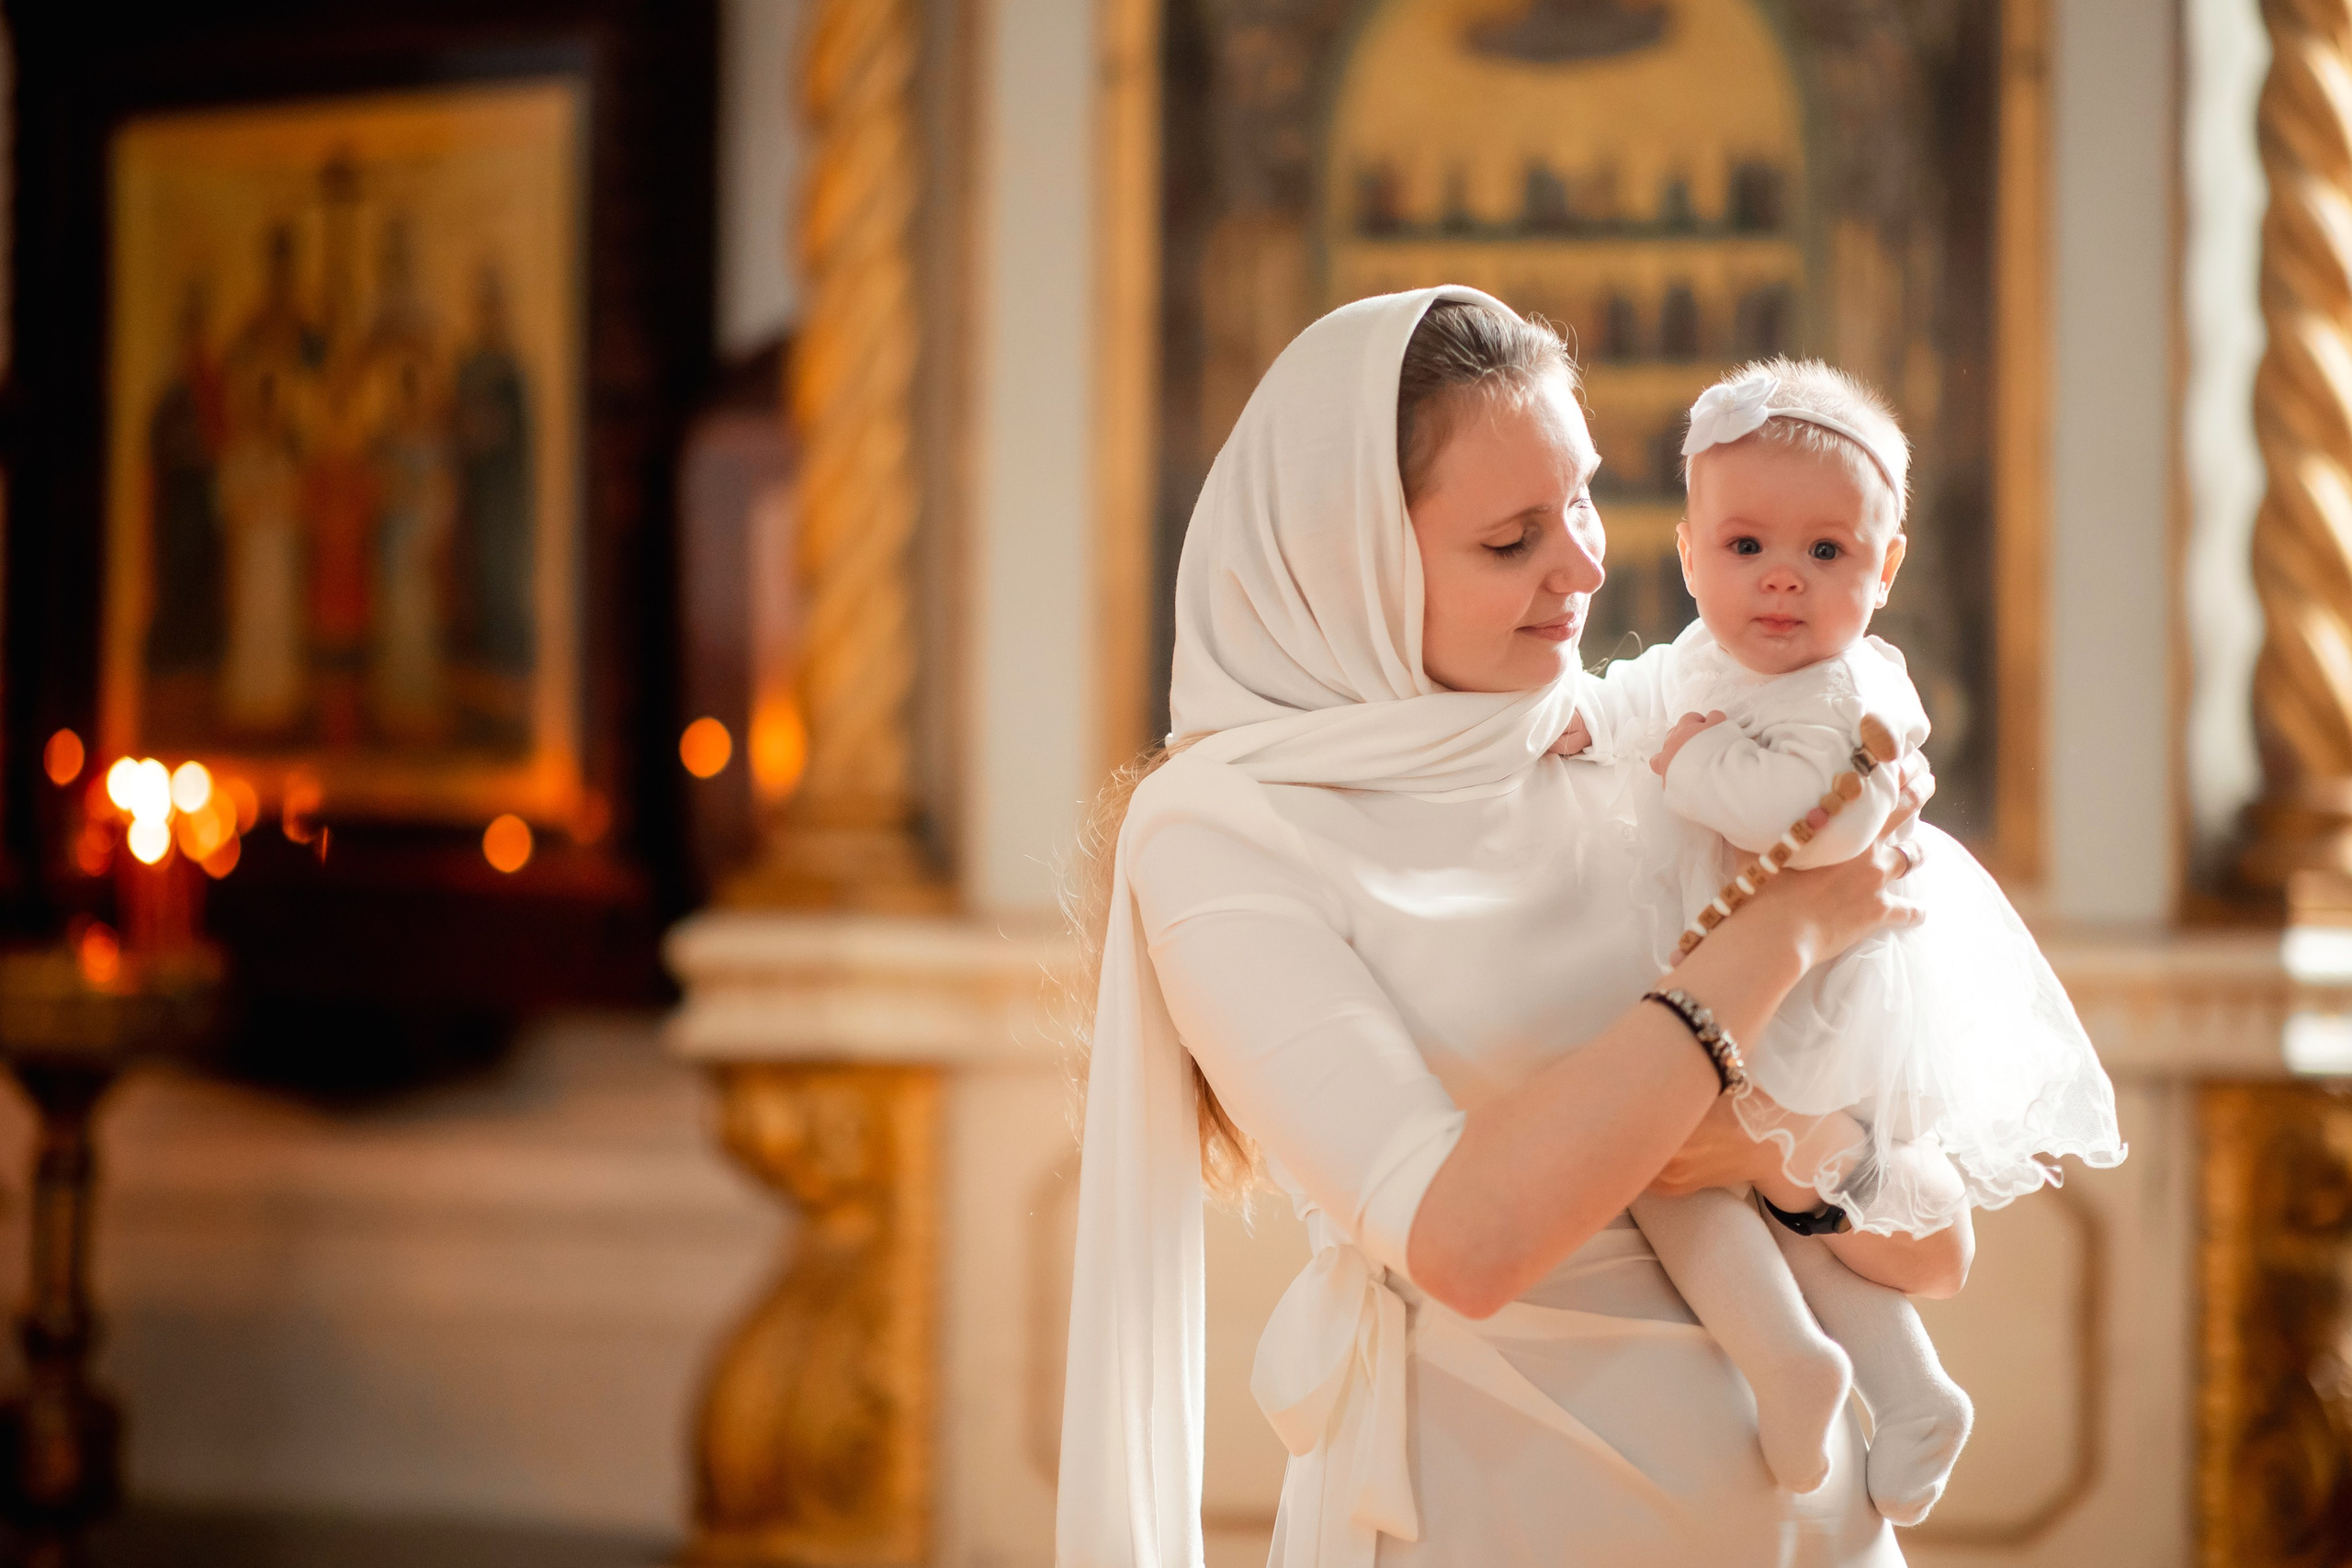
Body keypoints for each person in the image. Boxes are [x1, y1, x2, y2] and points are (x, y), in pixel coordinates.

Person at [1057, 287, 1951, 1568]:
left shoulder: (1656, 733)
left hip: (1816, 1537)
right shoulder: (1224, 829)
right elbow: (1465, 1240)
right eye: (1510, 538)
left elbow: (1937, 1246)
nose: (1585, 563)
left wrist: (1772, 1157)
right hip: (1486, 1518)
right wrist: (1786, 934)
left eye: (1581, 498)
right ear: (1353, 561)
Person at [1565, 359, 2125, 1528]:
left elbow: (1809, 822)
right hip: (1738, 980)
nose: (1782, 577)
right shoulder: (1699, 661)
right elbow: (1626, 699)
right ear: (1688, 556)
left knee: (1690, 1178)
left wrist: (1691, 760)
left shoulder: (1847, 697)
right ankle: (1898, 1388)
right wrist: (1574, 723)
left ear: (1886, 566)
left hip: (1814, 999)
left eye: (1826, 551)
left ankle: (1809, 1365)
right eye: (1745, 546)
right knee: (1734, 1193)